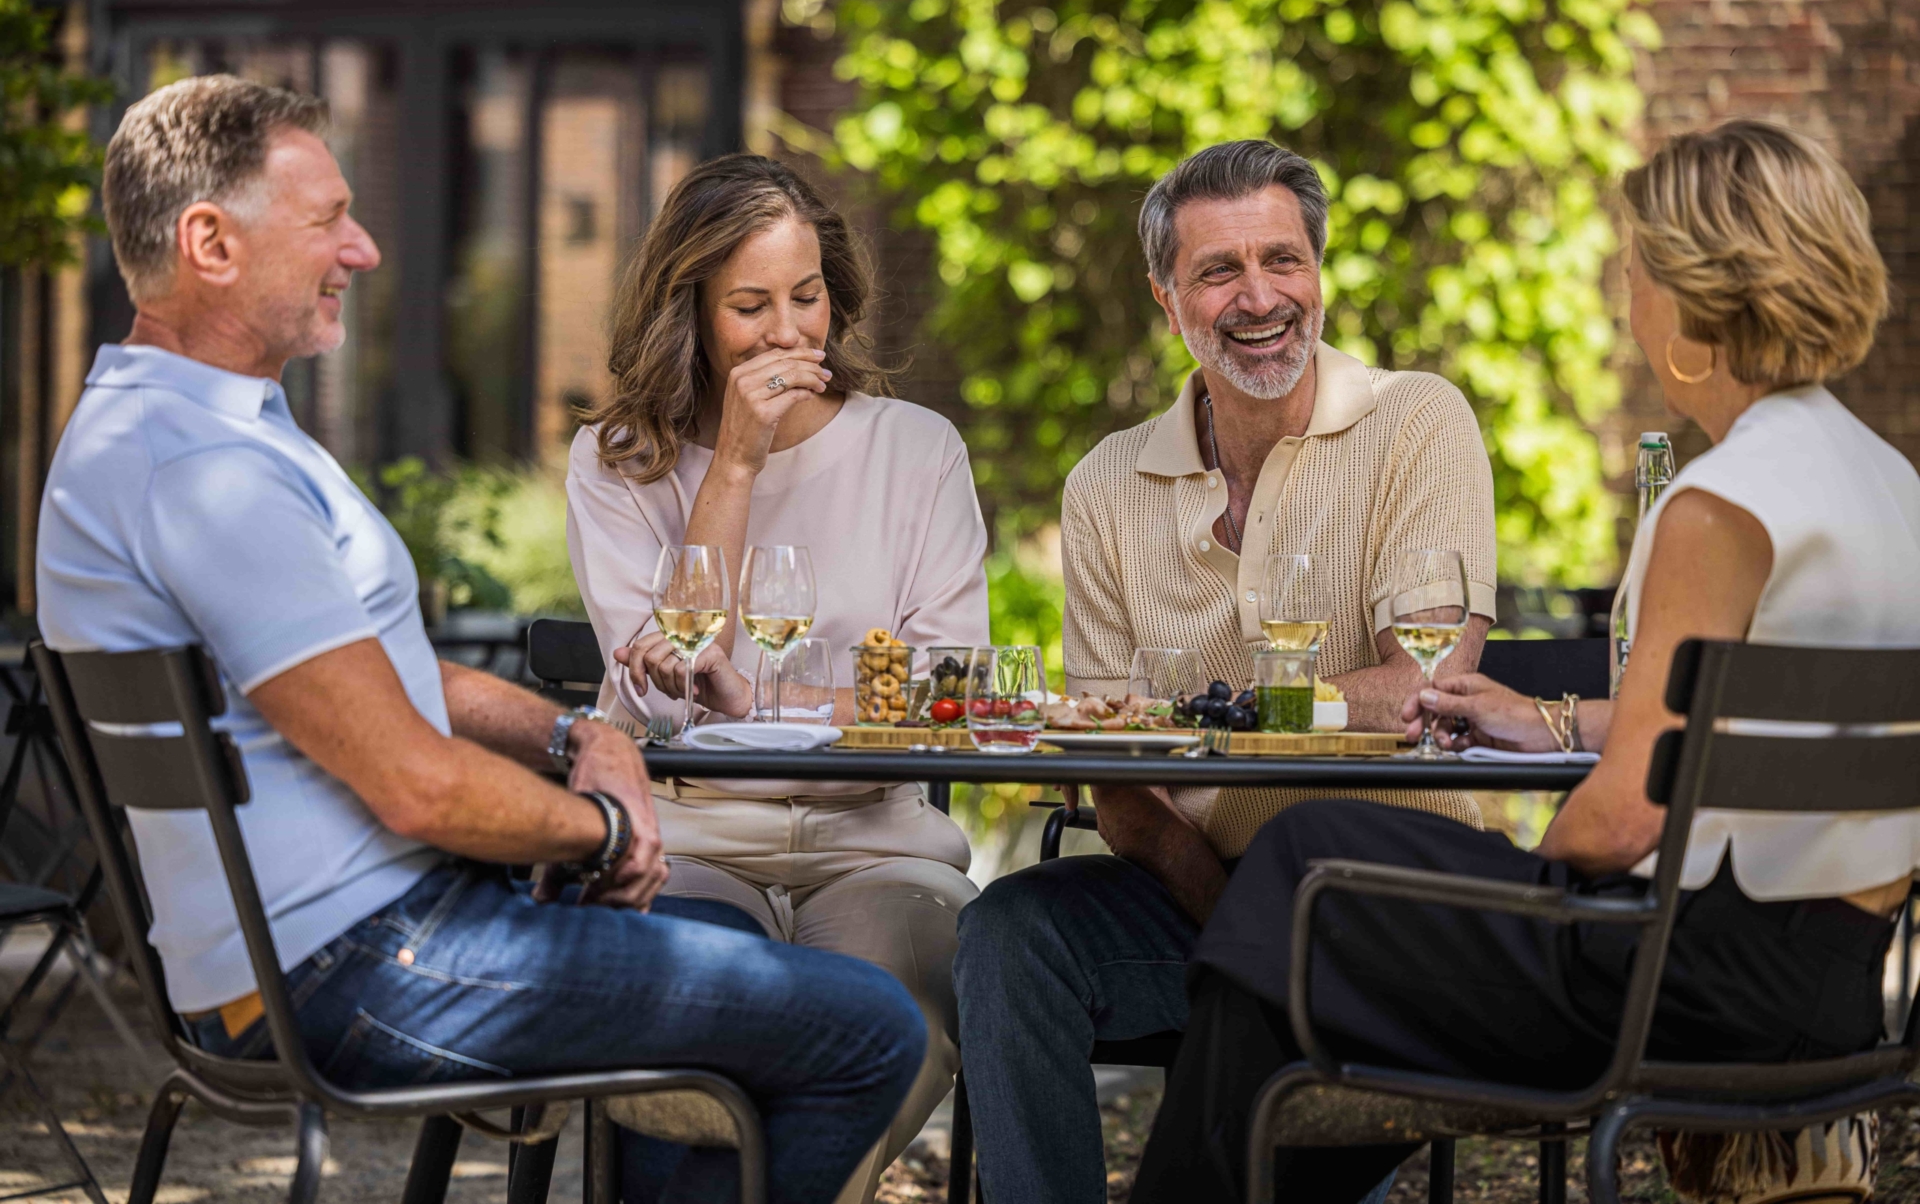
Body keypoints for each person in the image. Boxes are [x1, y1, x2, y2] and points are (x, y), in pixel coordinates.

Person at [36, 75, 926, 1204]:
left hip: (311, 949)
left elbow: (367, 678)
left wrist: (571, 736)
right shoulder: (205, 475)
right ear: (208, 241)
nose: (361, 249)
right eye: (326, 221)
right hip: (366, 962)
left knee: (715, 950)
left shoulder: (161, 433)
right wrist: (601, 829)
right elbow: (416, 786)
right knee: (867, 1031)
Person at [1129, 119, 1917, 1203]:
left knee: (1309, 861)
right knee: (1306, 922)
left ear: (1697, 293)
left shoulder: (1717, 506)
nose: (1625, 298)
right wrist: (1554, 724)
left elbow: (1627, 820)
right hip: (1832, 980)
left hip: (1671, 982)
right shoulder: (1887, 484)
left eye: (1636, 269)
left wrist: (1548, 852)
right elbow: (1745, 730)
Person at [953, 138, 1498, 1204]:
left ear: (1320, 272)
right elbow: (1124, 786)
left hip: (1387, 899)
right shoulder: (1108, 484)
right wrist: (1230, 909)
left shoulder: (1418, 422)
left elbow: (1424, 685)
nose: (1261, 297)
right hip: (1197, 897)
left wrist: (1233, 718)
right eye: (1220, 271)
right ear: (1171, 303)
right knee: (1007, 935)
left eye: (1283, 261)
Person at [566, 152, 990, 1204]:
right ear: (693, 314)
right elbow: (662, 693)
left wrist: (775, 704)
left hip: (877, 845)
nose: (789, 332)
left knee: (883, 1017)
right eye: (750, 306)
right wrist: (740, 465)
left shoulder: (917, 450)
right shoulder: (618, 461)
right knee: (677, 1018)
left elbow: (949, 696)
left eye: (806, 298)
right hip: (696, 841)